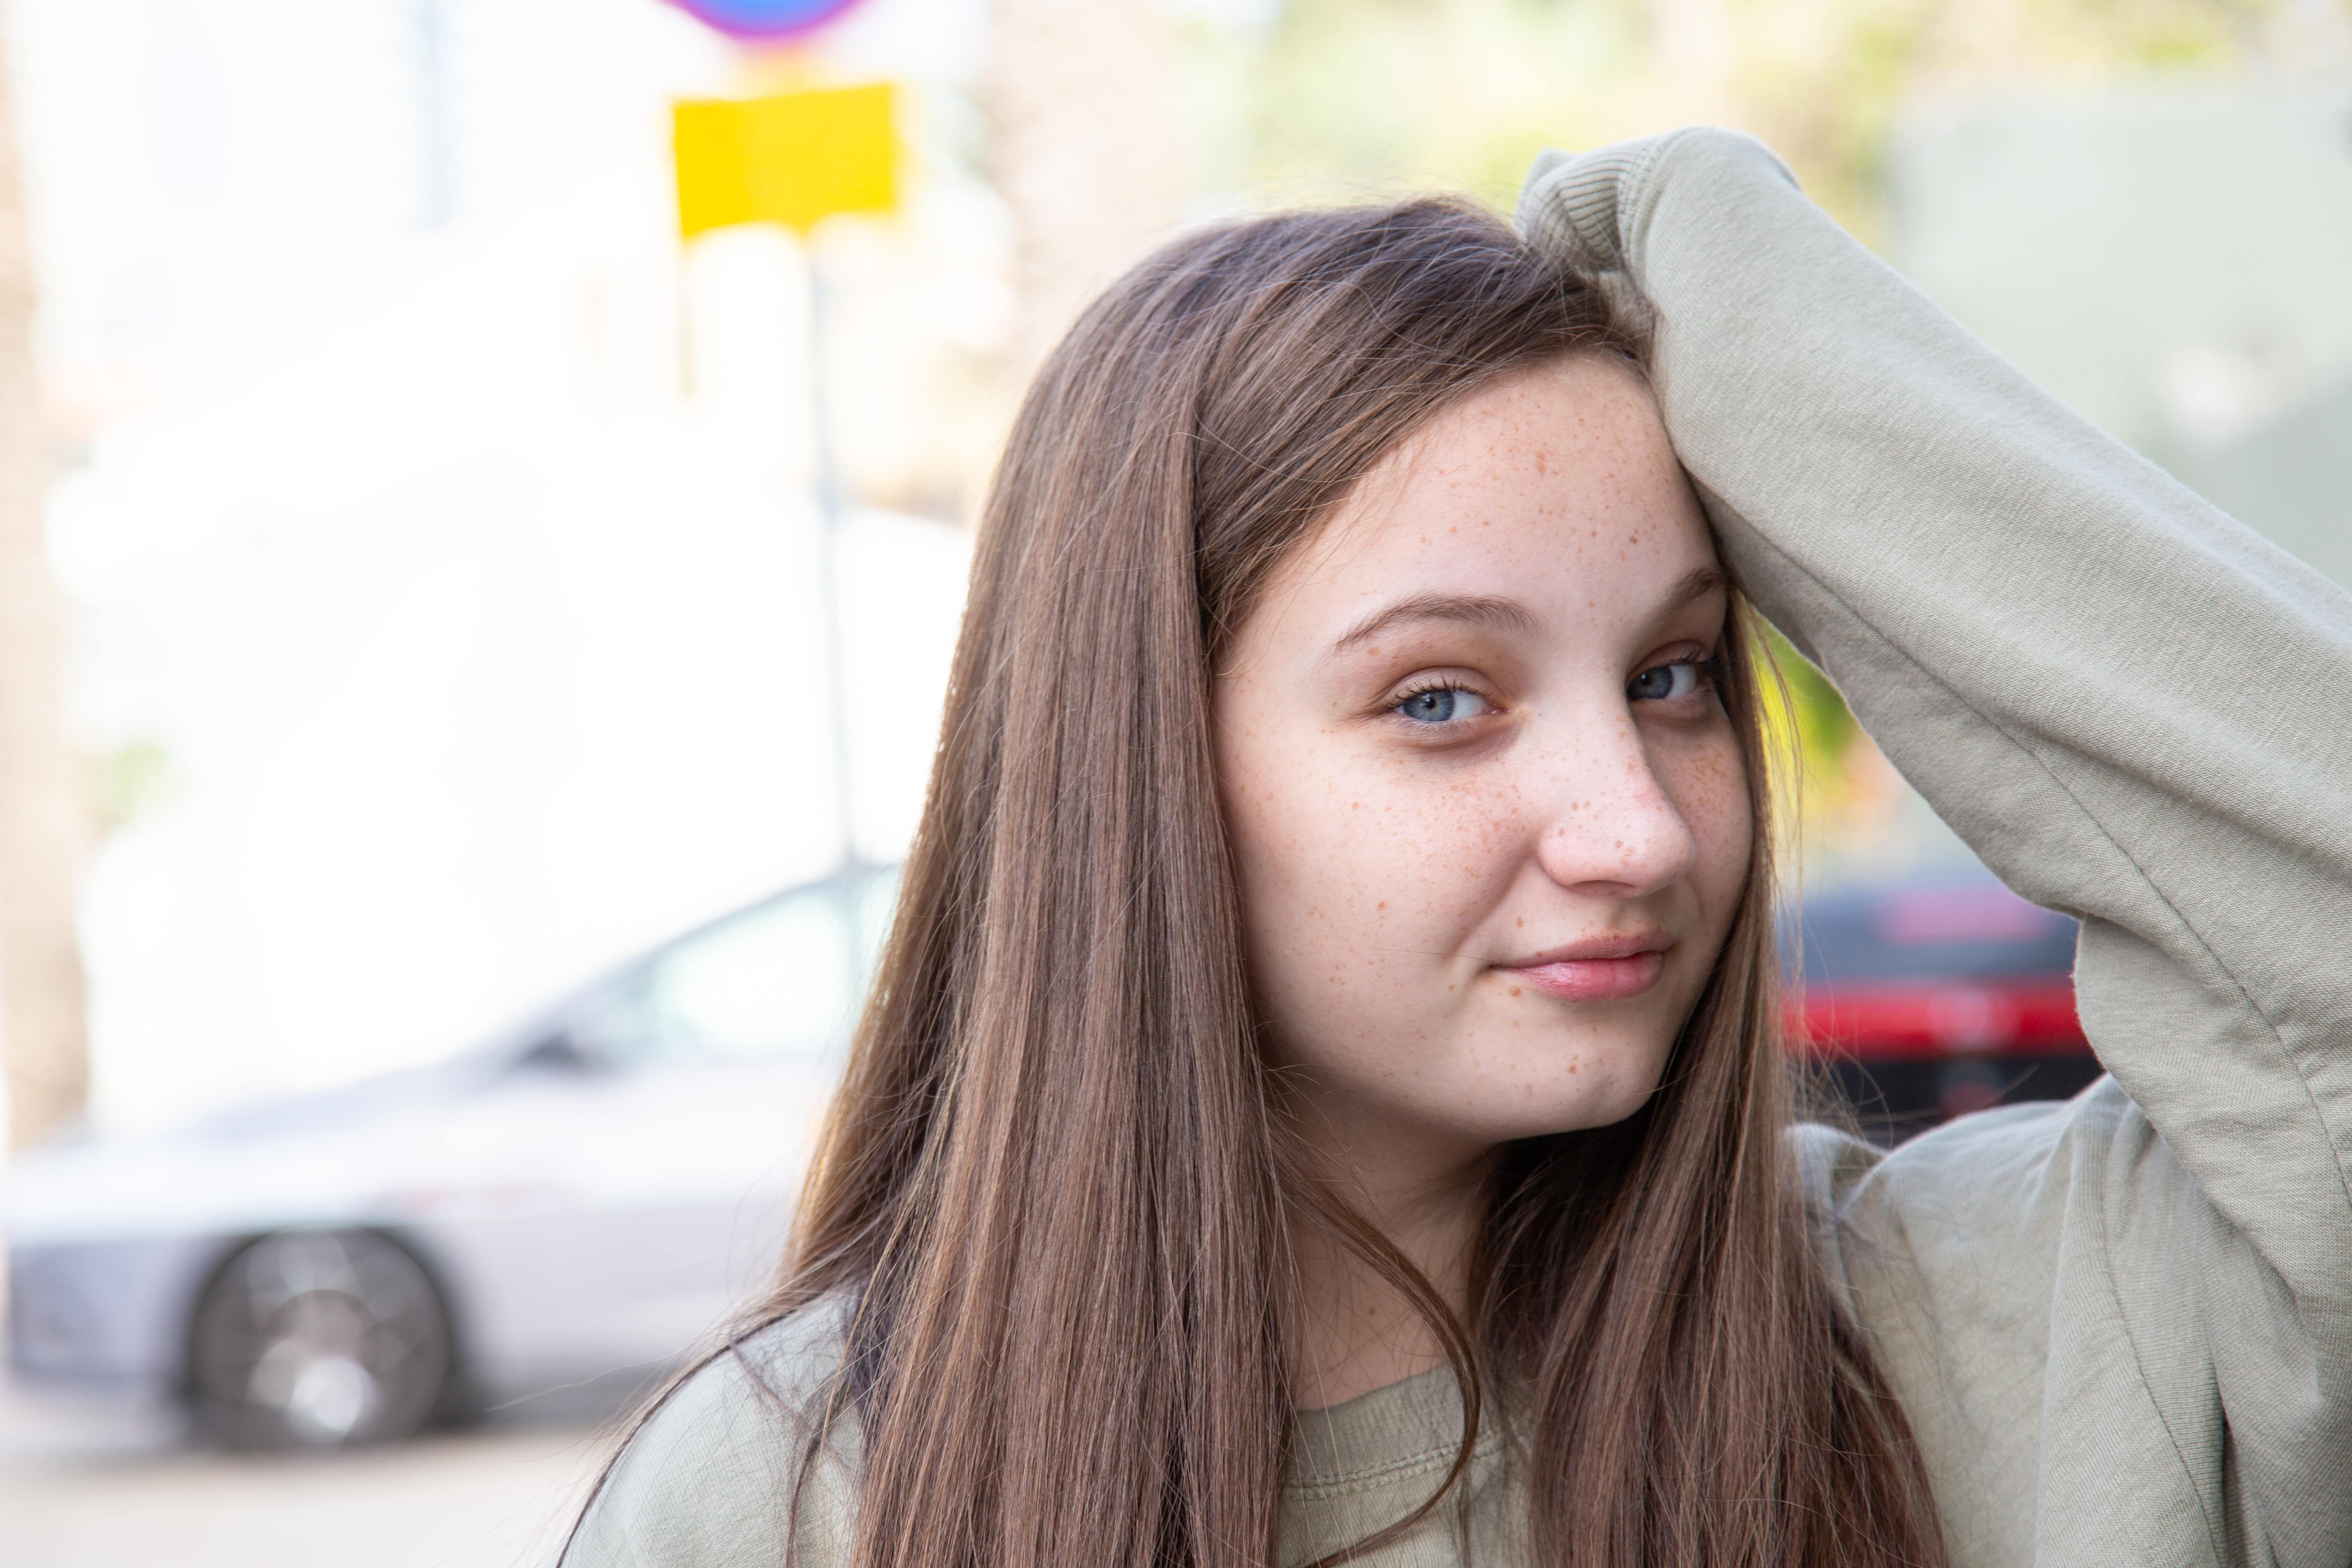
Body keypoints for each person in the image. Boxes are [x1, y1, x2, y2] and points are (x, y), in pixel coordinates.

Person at [563, 129, 2352, 1568]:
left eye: (1671, 676)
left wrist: (1711, 269)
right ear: (1141, 773)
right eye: (1440, 700)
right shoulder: (784, 1508)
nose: (1638, 826)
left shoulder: (2006, 1334)